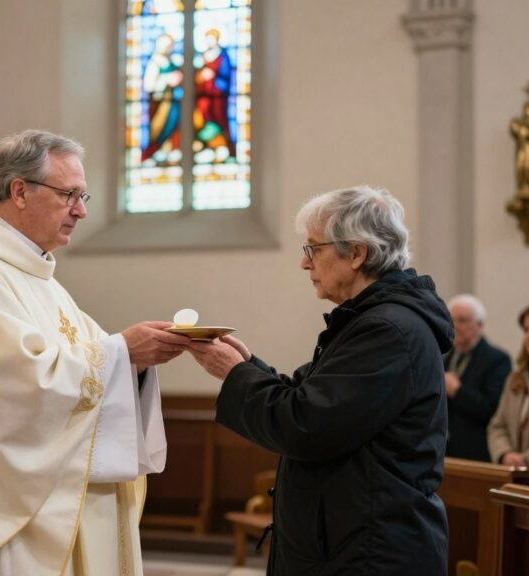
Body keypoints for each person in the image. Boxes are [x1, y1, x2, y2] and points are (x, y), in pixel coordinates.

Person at [0, 130, 191, 576]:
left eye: (84, 196)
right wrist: (122, 351)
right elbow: (16, 389)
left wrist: (135, 360)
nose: (80, 210)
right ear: (19, 191)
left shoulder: (38, 277)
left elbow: (88, 355)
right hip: (4, 517)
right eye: (69, 195)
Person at [188, 186, 452, 575]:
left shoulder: (387, 330)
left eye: (314, 248)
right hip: (351, 545)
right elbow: (306, 395)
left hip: (369, 554)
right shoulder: (369, 321)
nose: (304, 262)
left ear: (357, 253)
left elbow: (306, 424)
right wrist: (248, 365)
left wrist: (234, 373)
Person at [444, 294, 511, 461]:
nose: (455, 326)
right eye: (451, 320)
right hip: (443, 449)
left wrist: (457, 391)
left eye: (462, 320)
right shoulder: (444, 357)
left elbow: (492, 409)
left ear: (479, 325)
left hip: (475, 452)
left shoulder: (497, 360)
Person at [488, 303, 529, 484]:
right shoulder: (516, 379)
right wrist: (505, 454)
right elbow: (497, 425)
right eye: (526, 329)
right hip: (512, 476)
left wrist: (526, 459)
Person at [193, 28, 234, 164]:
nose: (210, 42)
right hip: (204, 95)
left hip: (218, 96)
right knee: (202, 117)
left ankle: (220, 146)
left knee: (217, 119)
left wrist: (213, 76)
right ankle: (206, 146)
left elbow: (226, 75)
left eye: (212, 38)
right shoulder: (203, 55)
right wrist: (200, 76)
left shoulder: (223, 55)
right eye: (207, 39)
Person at [142, 33, 184, 164]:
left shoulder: (173, 61)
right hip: (159, 103)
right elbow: (149, 86)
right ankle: (155, 151)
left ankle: (169, 150)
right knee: (159, 128)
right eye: (164, 45)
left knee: (174, 126)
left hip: (173, 102)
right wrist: (167, 79)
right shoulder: (154, 62)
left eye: (169, 46)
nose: (166, 48)